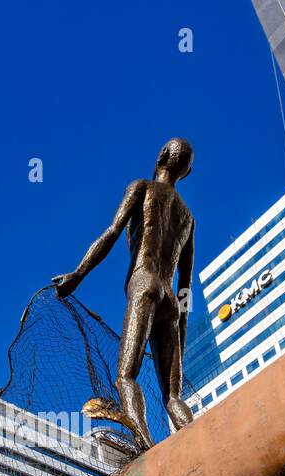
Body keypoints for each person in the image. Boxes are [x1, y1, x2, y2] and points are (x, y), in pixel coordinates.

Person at [52, 137, 196, 449]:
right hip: (171, 299)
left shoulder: (141, 188)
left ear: (160, 156)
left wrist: (78, 274)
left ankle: (145, 445)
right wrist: (180, 337)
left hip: (144, 283)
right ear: (185, 172)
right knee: (173, 396)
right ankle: (200, 441)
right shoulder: (187, 218)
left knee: (125, 377)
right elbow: (186, 287)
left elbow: (112, 232)